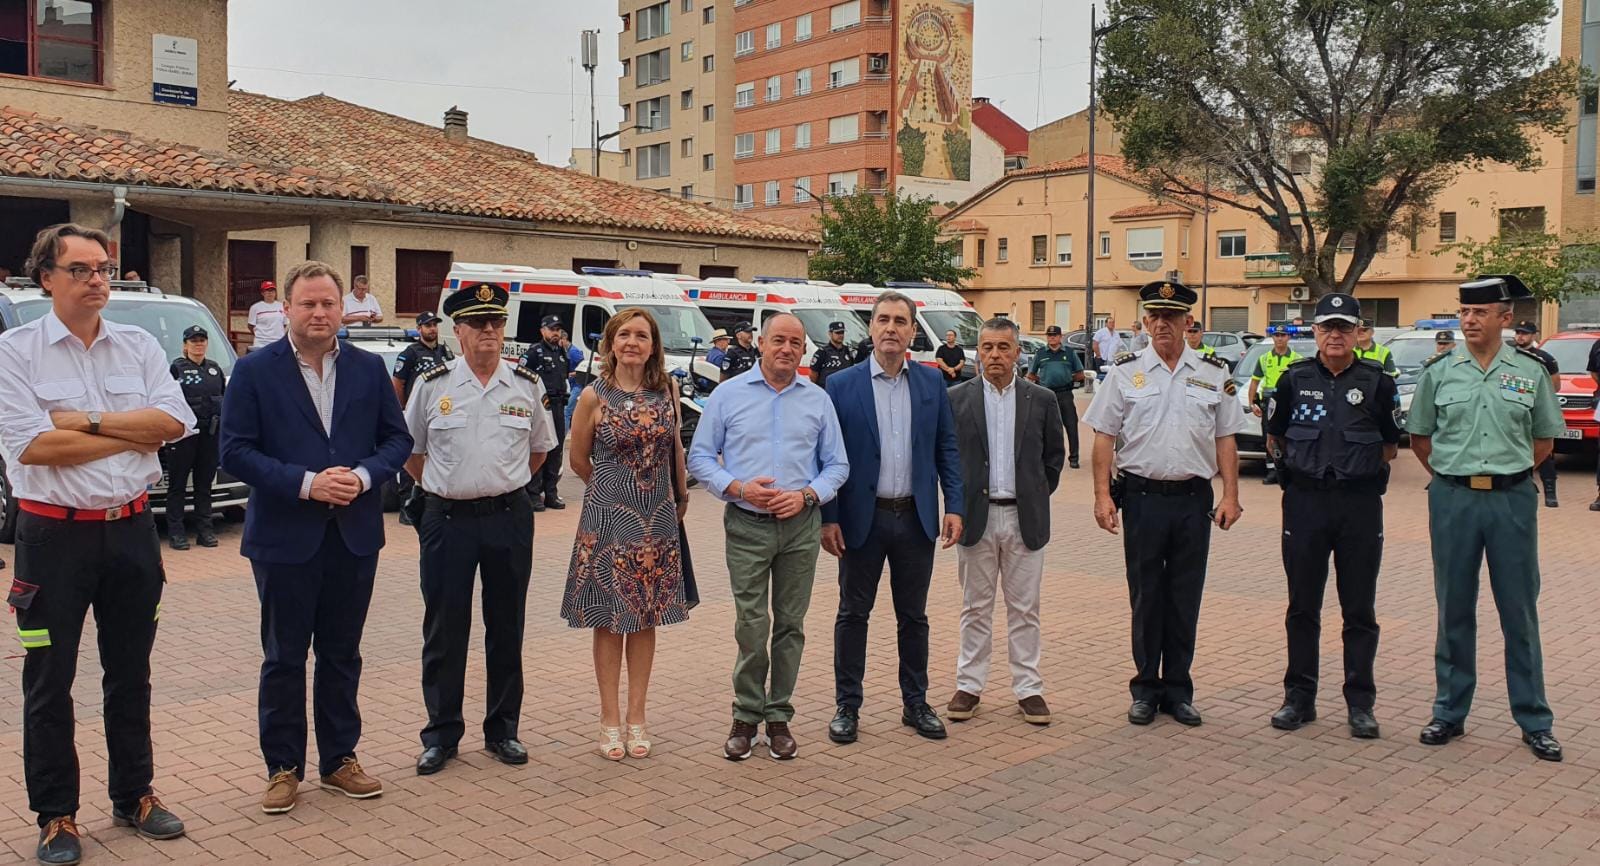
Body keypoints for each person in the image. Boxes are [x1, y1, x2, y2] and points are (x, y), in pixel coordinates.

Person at [0, 224, 194, 864]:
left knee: (129, 672)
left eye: (104, 268)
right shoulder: (15, 352)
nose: (96, 280)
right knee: (49, 681)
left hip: (132, 532)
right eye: (80, 269)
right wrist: (132, 434)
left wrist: (83, 421)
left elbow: (171, 424)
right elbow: (33, 447)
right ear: (47, 278)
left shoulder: (137, 346)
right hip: (52, 537)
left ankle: (134, 794)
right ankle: (57, 815)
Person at [219, 260, 413, 814]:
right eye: (308, 304)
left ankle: (339, 760)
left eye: (328, 303)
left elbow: (395, 440)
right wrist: (305, 484)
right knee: (283, 656)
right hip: (285, 536)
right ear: (286, 309)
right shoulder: (254, 371)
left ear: (341, 308)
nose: (320, 312)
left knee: (342, 653)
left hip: (353, 534)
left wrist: (362, 476)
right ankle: (283, 767)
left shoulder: (369, 369)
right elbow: (235, 450)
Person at [1407, 275, 1566, 762]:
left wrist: (1504, 474)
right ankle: (1449, 713)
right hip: (1453, 499)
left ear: (1505, 318)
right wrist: (1456, 477)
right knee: (1453, 606)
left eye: (1480, 313)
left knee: (1519, 611)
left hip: (1511, 500)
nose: (1469, 320)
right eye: (1464, 312)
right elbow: (1420, 438)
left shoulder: (1530, 371)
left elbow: (1543, 440)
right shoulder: (1439, 371)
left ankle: (1534, 719)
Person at [404, 283, 559, 776]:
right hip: (446, 519)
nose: (488, 331)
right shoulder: (433, 385)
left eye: (496, 322)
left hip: (508, 517)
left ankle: (503, 730)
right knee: (445, 629)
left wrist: (499, 485)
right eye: (477, 323)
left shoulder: (527, 384)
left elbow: (539, 451)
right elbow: (411, 453)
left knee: (506, 625)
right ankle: (441, 734)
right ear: (458, 331)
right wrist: (450, 487)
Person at [688, 313, 849, 761]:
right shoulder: (727, 395)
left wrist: (807, 496)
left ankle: (778, 717)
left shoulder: (818, 400)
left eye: (795, 342)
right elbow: (700, 457)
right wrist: (738, 488)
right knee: (752, 626)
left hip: (800, 528)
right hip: (746, 526)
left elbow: (837, 464)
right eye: (778, 340)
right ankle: (745, 715)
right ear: (761, 343)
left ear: (803, 350)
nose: (786, 349)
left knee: (791, 625)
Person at [1084, 279, 1244, 729]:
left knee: (1184, 597)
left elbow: (1226, 437)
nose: (1162, 325)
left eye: (1171, 318)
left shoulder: (1212, 373)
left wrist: (1231, 495)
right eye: (1154, 317)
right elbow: (1104, 437)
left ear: (1187, 322)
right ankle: (1144, 689)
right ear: (1144, 322)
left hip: (1195, 500)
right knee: (1146, 596)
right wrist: (1101, 496)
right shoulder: (1123, 371)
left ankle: (1178, 690)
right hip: (1143, 498)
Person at [821, 291, 964, 745]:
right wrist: (829, 516)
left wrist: (955, 505)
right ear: (871, 326)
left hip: (915, 519)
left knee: (914, 617)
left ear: (912, 330)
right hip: (861, 519)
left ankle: (916, 703)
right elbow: (826, 456)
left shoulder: (930, 383)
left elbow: (947, 448)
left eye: (900, 321)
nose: (890, 329)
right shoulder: (841, 385)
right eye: (882, 319)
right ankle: (848, 706)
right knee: (852, 614)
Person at [1264, 293, 1400, 739]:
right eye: (1327, 328)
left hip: (1359, 504)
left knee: (1359, 608)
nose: (1336, 335)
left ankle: (1360, 703)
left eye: (1345, 327)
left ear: (1359, 332)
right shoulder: (1293, 379)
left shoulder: (1378, 382)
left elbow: (1389, 445)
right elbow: (1275, 437)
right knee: (1302, 605)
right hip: (1304, 502)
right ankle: (1298, 698)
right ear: (1315, 333)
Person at [562, 308, 691, 761]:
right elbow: (578, 459)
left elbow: (675, 446)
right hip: (605, 519)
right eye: (624, 335)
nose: (632, 342)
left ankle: (638, 716)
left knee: (644, 617)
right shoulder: (592, 397)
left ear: (653, 345)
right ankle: (609, 718)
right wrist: (610, 490)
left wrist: (679, 496)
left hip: (655, 520)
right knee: (607, 619)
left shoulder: (667, 390)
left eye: (642, 335)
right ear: (611, 344)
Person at [946, 318, 1065, 726]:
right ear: (977, 351)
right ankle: (969, 685)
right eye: (986, 347)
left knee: (1025, 608)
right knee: (975, 607)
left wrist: (1031, 495)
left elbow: (1053, 459)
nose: (994, 355)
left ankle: (1029, 688)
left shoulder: (1042, 399)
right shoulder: (956, 399)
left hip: (1023, 517)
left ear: (1018, 352)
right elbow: (946, 460)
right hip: (975, 518)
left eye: (1003, 347)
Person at [164, 325, 226, 550]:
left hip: (209, 435)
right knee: (177, 485)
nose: (198, 344)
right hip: (184, 435)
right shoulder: (176, 368)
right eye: (193, 341)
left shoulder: (214, 369)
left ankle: (205, 531)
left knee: (204, 485)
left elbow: (224, 399)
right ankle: (177, 533)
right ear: (185, 345)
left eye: (201, 340)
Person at [521, 314, 571, 511]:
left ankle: (551, 493)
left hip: (558, 406)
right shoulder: (534, 352)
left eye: (558, 330)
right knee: (539, 447)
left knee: (556, 450)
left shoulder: (561, 352)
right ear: (542, 331)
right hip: (541, 406)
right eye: (552, 329)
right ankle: (533, 494)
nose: (556, 333)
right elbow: (522, 377)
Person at [1513, 320, 1561, 508]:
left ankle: (1550, 492)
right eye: (1518, 332)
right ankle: (1523, 484)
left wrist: (1527, 390)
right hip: (1514, 409)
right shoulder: (1508, 355)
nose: (1520, 336)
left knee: (1544, 451)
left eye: (1524, 333)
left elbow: (1554, 386)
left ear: (1534, 336)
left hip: (1534, 408)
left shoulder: (1544, 358)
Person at [1249, 325, 1302, 484]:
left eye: (1283, 335)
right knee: (1269, 436)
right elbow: (1254, 382)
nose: (1279, 338)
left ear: (1288, 338)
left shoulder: (1296, 358)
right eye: (1277, 335)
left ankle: (1289, 468)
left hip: (1289, 403)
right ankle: (1272, 469)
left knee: (1290, 435)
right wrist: (1252, 403)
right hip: (1269, 403)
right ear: (1273, 337)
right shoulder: (1264, 358)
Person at [1028, 324, 1085, 469]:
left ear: (1060, 337)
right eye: (1049, 335)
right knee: (1045, 427)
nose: (1051, 338)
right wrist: (1041, 383)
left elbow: (1080, 374)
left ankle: (1074, 458)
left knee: (1071, 426)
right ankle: (1046, 457)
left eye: (1054, 335)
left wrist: (1068, 379)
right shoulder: (1041, 353)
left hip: (1065, 394)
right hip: (1046, 395)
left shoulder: (1070, 353)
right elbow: (1031, 375)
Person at [392, 311, 453, 406]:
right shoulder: (410, 353)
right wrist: (404, 409)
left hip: (442, 406)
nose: (432, 328)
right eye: (428, 325)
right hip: (418, 407)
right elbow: (398, 384)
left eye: (435, 325)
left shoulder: (445, 351)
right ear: (419, 329)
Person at [809, 321, 857, 388]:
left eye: (842, 332)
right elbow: (813, 375)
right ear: (830, 333)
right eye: (837, 333)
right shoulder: (822, 352)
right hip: (827, 391)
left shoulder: (849, 351)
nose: (841, 335)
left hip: (844, 390)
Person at [246, 280, 285, 352]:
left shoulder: (281, 306)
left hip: (278, 344)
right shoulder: (255, 307)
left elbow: (284, 324)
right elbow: (250, 326)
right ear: (262, 293)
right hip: (261, 344)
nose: (270, 293)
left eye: (272, 290)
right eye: (267, 290)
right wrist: (261, 335)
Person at [562, 329, 585, 430]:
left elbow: (583, 368)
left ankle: (563, 435)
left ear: (564, 338)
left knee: (567, 412)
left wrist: (572, 374)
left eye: (559, 340)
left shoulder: (574, 352)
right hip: (572, 386)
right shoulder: (566, 351)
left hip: (578, 386)